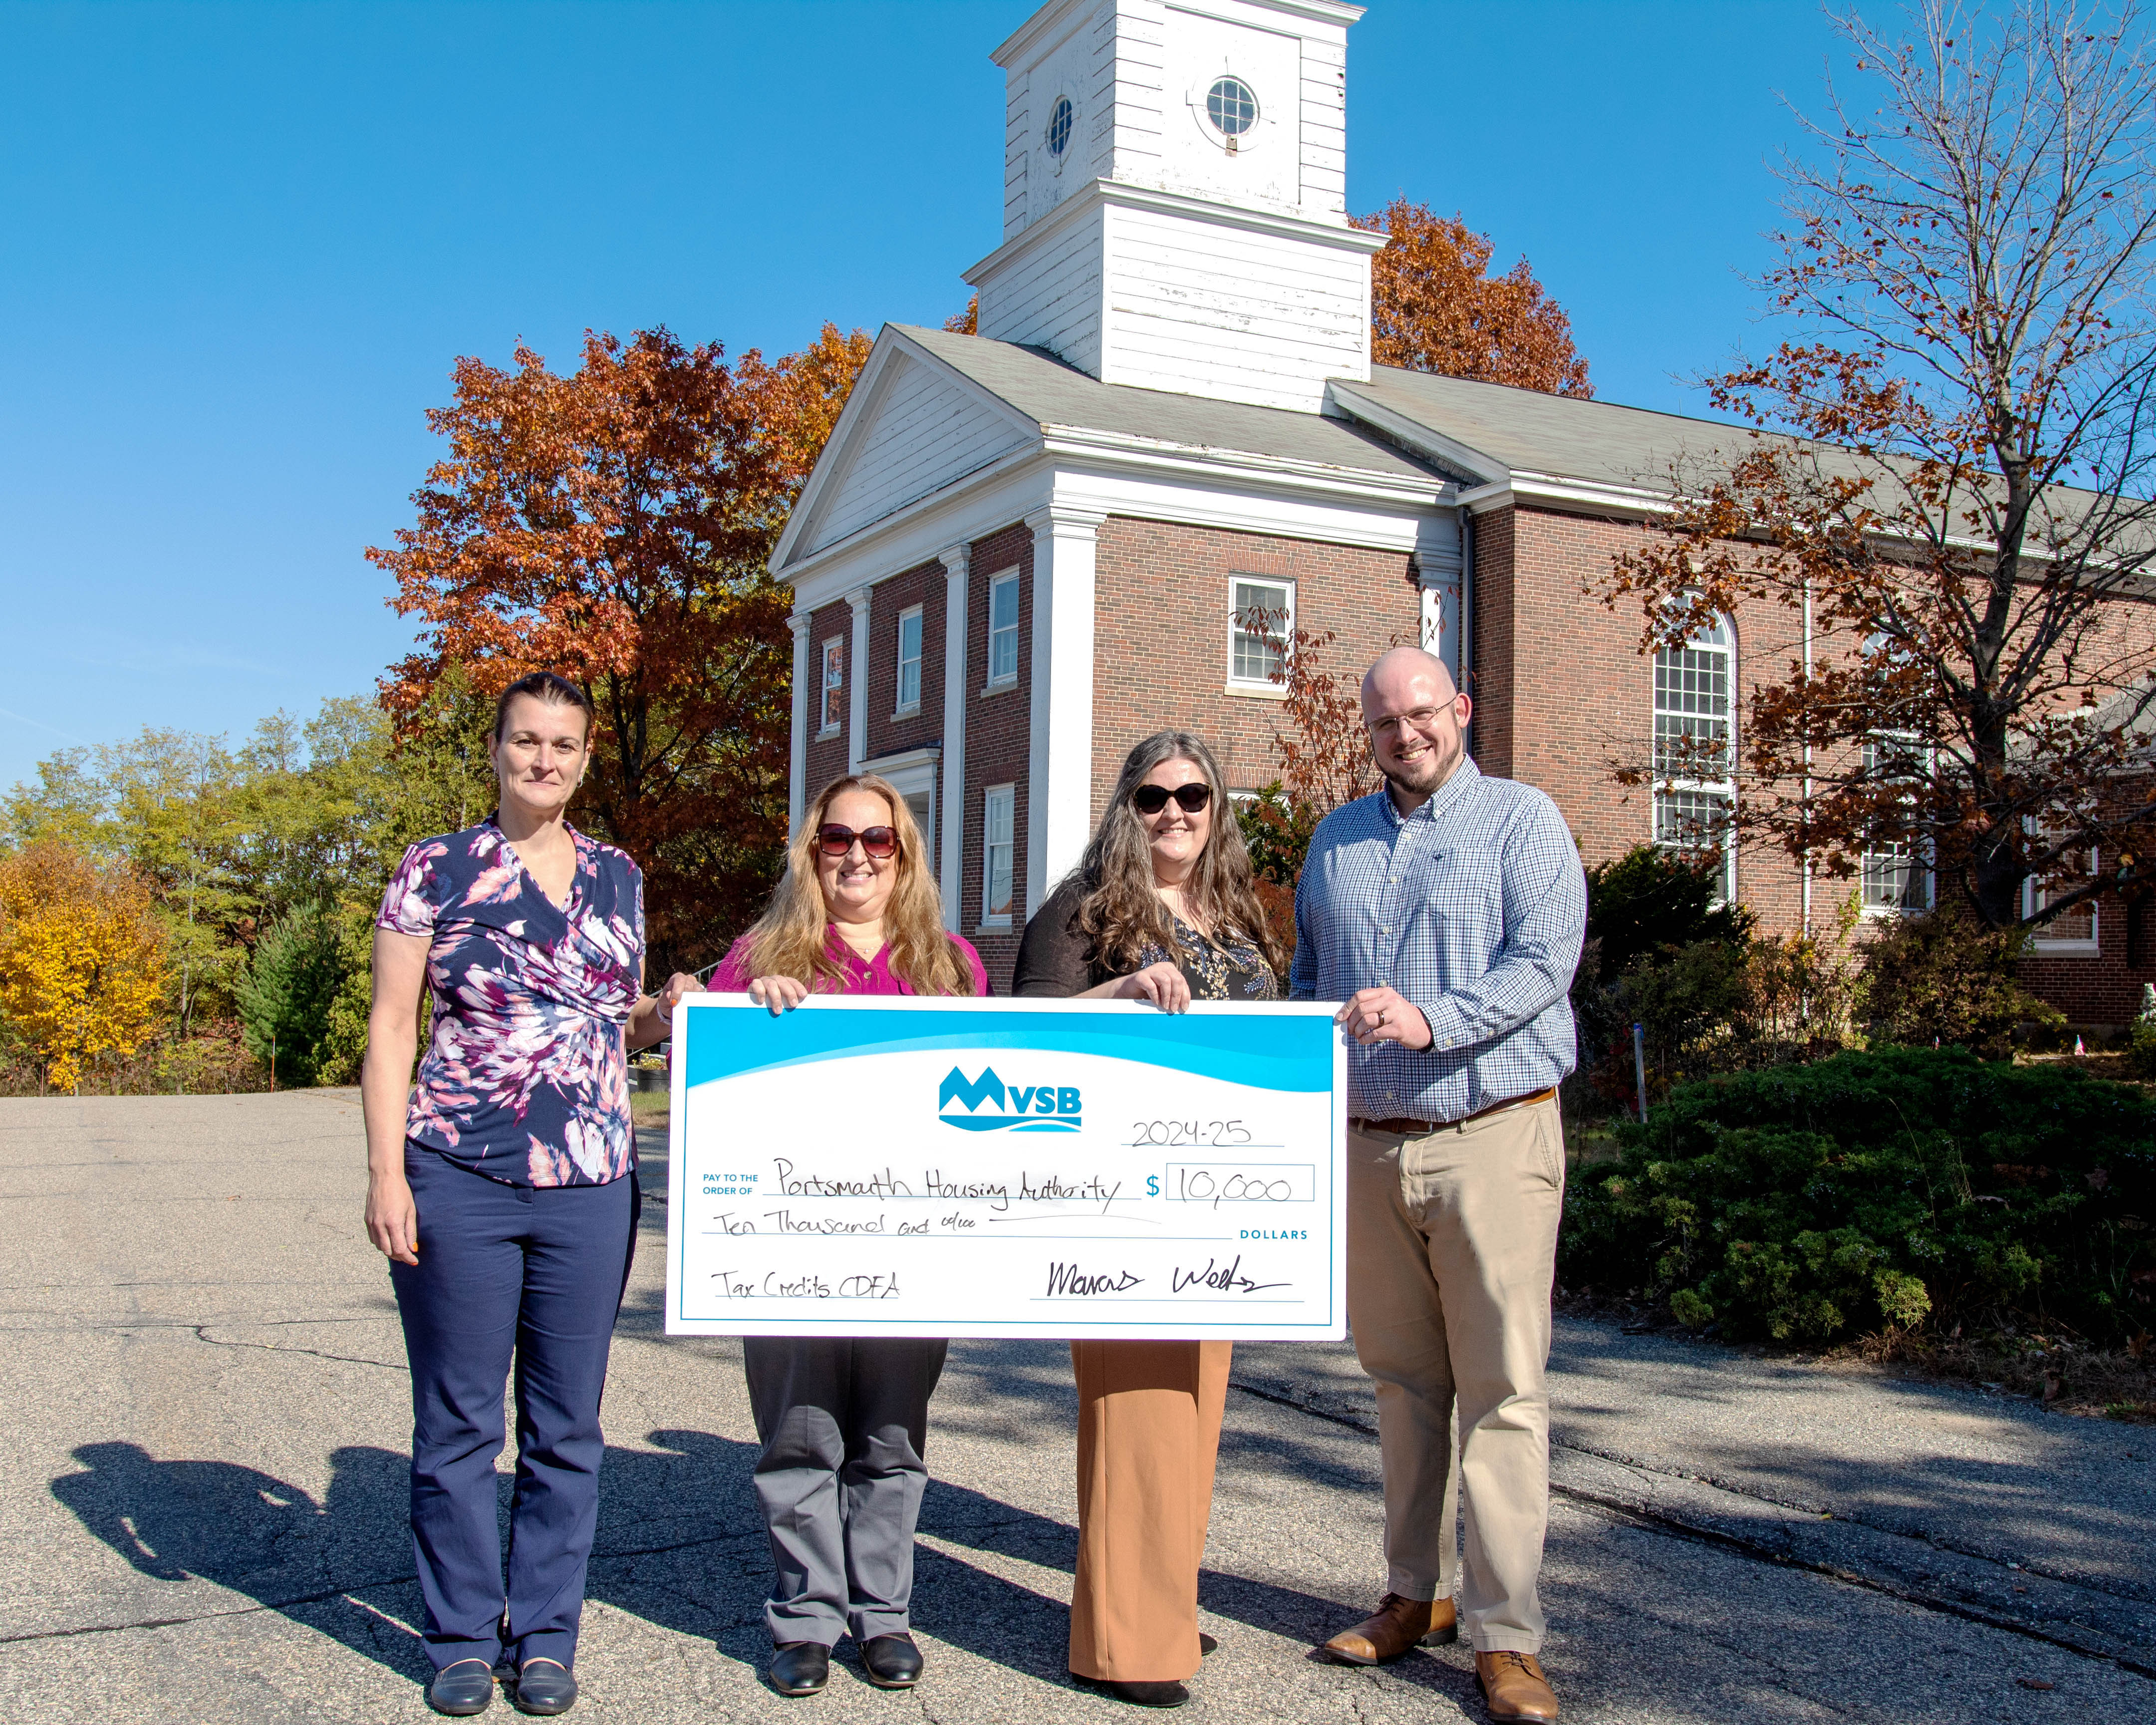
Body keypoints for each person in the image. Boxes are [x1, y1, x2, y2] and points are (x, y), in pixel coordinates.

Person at [362, 671, 699, 1720]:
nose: (543, 760)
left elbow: (612, 1024)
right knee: (459, 1422)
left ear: (585, 759)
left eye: (563, 744)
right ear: (496, 749)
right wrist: (385, 1173)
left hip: (591, 1184)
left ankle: (546, 1636)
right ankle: (463, 1637)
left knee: (567, 1427)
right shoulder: (435, 868)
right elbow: (392, 1027)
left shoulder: (618, 875)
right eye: (526, 740)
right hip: (458, 1171)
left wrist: (667, 1012)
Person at [1291, 646, 1585, 1725]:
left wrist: (1432, 1020)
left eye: (1421, 713)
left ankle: (1509, 1639)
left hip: (1492, 1136)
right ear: (1367, 732)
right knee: (1403, 1388)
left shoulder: (1523, 821)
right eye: (1384, 722)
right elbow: (1309, 979)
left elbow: (1543, 962)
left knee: (1503, 1393)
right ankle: (1415, 1596)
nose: (1404, 734)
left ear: (1458, 708)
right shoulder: (1335, 840)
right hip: (1373, 1146)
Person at [1014, 730, 1286, 1710]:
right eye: (1154, 797)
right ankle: (1125, 1644)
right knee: (1138, 1417)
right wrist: (1119, 990)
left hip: (1223, 1204)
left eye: (1194, 796)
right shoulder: (1084, 911)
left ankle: (1162, 1603)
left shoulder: (1236, 917)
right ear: (1127, 808)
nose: (1175, 812)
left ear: (1217, 810)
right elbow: (1023, 1037)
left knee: (1193, 1417)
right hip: (1120, 1204)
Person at [711, 773, 988, 1699]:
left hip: (916, 1245)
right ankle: (806, 1618)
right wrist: (749, 1011)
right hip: (790, 1245)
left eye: (879, 840)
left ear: (904, 856)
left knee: (891, 1439)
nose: (858, 856)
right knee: (800, 1436)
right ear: (813, 852)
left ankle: (883, 1615)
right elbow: (705, 1063)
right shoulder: (757, 959)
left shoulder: (951, 966)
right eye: (839, 838)